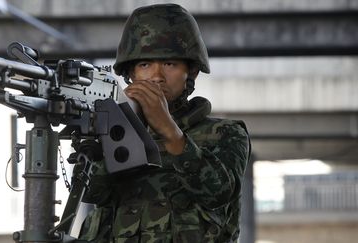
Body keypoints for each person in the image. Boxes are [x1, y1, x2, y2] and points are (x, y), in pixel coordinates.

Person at [77, 3, 251, 242]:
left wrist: (169, 130)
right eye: (145, 64)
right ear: (131, 74)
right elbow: (91, 191)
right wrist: (118, 128)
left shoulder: (224, 133)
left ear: (191, 72)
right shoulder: (111, 131)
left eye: (169, 64)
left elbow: (218, 193)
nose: (157, 77)